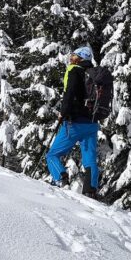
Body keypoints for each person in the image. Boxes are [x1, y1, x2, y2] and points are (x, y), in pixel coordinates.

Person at [47, 45, 103, 198]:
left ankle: (61, 178)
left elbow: (69, 94)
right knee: (89, 158)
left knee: (52, 155)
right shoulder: (94, 74)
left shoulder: (74, 71)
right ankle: (90, 190)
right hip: (92, 123)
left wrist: (62, 114)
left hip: (74, 123)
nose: (70, 58)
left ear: (80, 58)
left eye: (73, 56)